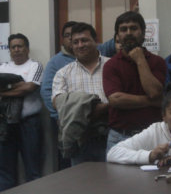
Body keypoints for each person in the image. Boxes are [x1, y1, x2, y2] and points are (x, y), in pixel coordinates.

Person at [40, 21, 116, 170]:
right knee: (82, 183)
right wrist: (94, 105)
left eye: (85, 40)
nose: (80, 45)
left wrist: (78, 104)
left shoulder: (113, 66)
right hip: (80, 137)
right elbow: (57, 102)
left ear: (96, 41)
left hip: (112, 134)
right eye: (76, 42)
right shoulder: (63, 73)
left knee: (114, 181)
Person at [103, 11, 166, 151]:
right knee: (115, 174)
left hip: (152, 136)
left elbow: (154, 92)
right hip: (120, 137)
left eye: (134, 28)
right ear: (118, 36)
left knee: (154, 174)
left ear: (143, 33)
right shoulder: (110, 65)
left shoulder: (158, 62)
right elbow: (116, 100)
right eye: (123, 29)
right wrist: (150, 101)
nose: (129, 32)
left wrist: (140, 59)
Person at [0, 33, 43, 191]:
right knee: (5, 169)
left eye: (20, 46)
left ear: (27, 49)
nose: (17, 50)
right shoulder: (3, 67)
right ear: (9, 50)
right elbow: (22, 87)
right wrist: (18, 87)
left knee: (33, 168)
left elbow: (30, 87)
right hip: (5, 123)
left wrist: (4, 91)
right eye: (13, 47)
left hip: (29, 123)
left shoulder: (34, 65)